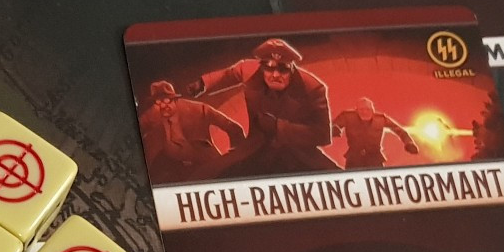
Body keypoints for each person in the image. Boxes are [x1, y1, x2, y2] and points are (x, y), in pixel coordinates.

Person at [184, 38, 333, 176]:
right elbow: (229, 74)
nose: (275, 75)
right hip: (255, 148)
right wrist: (203, 83)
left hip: (297, 154)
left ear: (292, 68)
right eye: (269, 68)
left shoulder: (313, 88)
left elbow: (323, 134)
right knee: (208, 174)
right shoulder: (249, 70)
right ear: (262, 68)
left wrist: (278, 127)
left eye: (283, 69)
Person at [137, 78, 248, 181]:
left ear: (175, 99)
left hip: (207, 164)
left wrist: (233, 158)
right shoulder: (155, 112)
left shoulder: (198, 109)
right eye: (158, 102)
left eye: (166, 100)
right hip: (178, 171)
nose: (162, 106)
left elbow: (234, 128)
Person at [329, 96, 419, 169]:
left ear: (373, 110)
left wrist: (409, 143)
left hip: (375, 159)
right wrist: (333, 129)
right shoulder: (347, 117)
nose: (364, 112)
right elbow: (332, 126)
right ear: (356, 110)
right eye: (361, 109)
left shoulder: (380, 119)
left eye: (367, 109)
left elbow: (399, 130)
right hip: (354, 159)